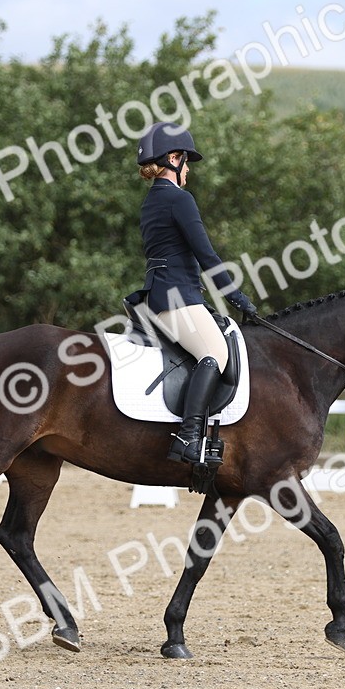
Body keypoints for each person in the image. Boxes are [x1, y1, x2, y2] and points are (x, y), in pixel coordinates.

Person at [135, 121, 257, 464]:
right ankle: (187, 438)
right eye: (186, 162)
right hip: (177, 297)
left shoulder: (151, 201)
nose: (188, 169)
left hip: (160, 295)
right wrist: (236, 297)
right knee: (214, 354)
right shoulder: (179, 199)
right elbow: (206, 255)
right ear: (173, 158)